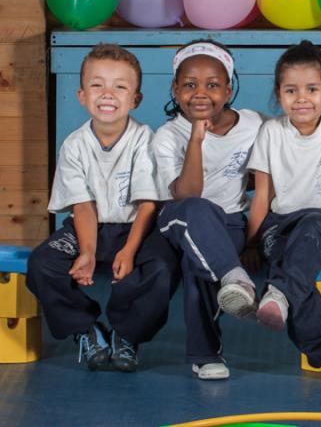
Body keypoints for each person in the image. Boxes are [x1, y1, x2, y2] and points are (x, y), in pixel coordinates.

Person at [26, 44, 177, 373]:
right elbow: (83, 205)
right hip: (89, 226)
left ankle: (127, 334)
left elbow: (148, 203)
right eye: (97, 84)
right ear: (81, 95)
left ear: (135, 98)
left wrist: (129, 250)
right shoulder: (74, 145)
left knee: (162, 269)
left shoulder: (144, 140)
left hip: (137, 225)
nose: (107, 93)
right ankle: (86, 328)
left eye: (120, 86)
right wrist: (89, 252)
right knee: (43, 263)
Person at [244, 40, 321, 380]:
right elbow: (263, 196)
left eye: (311, 89)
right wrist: (251, 244)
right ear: (278, 94)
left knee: (309, 229)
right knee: (295, 267)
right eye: (291, 90)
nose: (301, 99)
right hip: (279, 226)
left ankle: (277, 293)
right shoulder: (271, 131)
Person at [153, 39, 264, 380]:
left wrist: (253, 241)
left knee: (197, 259)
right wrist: (197, 140)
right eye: (189, 85)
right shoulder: (168, 136)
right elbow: (187, 193)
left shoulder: (255, 124)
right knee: (196, 210)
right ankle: (237, 279)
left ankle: (207, 355)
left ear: (228, 90)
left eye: (212, 85)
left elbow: (272, 178)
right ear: (175, 88)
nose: (200, 93)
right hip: (177, 219)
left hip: (228, 222)